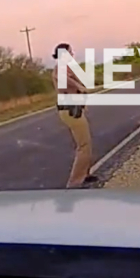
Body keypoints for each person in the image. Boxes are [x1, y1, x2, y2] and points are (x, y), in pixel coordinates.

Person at [52, 42, 98, 188]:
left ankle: (84, 174)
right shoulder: (60, 69)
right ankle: (74, 182)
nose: (73, 54)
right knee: (83, 145)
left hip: (74, 108)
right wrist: (79, 87)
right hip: (70, 109)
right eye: (70, 52)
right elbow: (64, 82)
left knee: (86, 143)